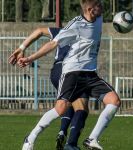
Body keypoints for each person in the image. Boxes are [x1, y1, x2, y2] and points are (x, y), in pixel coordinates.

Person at [9, 0, 121, 150]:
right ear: (89, 9)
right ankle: (30, 137)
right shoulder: (75, 25)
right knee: (60, 109)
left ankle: (92, 139)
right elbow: (52, 44)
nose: (102, 7)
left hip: (90, 74)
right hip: (72, 73)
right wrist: (29, 58)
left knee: (114, 101)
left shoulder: (99, 18)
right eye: (99, 6)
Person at [8, 27, 89, 150]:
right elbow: (39, 31)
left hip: (69, 71)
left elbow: (39, 31)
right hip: (65, 68)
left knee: (75, 106)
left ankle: (69, 143)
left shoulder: (74, 31)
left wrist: (22, 48)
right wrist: (22, 49)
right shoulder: (79, 31)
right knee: (71, 106)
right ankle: (34, 137)